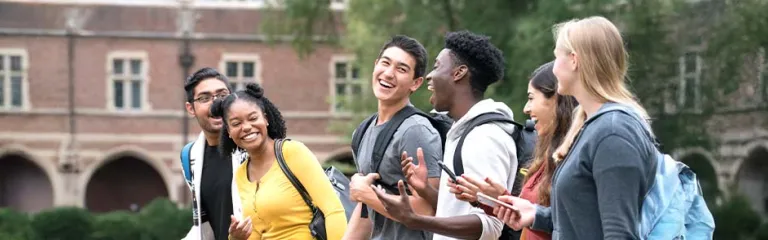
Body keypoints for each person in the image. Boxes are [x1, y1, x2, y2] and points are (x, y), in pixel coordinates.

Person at [493, 16, 658, 240]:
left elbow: (619, 233)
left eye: (556, 56)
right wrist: (535, 214)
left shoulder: (613, 132)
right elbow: (586, 221)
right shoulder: (593, 126)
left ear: (573, 60)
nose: (554, 67)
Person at [374, 30, 517, 240]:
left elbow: (490, 224)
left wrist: (414, 219)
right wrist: (425, 190)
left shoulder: (484, 137)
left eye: (437, 66)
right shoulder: (462, 131)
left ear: (458, 73)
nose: (430, 77)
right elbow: (460, 211)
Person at [452, 61, 578, 240]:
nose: (526, 108)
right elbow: (528, 216)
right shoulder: (547, 157)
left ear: (556, 99)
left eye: (531, 98)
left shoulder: (574, 157)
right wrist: (494, 199)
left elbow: (573, 222)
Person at [210, 82, 347, 240]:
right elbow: (258, 232)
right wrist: (236, 238)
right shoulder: (241, 173)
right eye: (236, 124)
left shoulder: (292, 152)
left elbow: (333, 211)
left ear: (266, 119)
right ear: (228, 132)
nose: (246, 127)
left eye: (253, 118)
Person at [345, 35, 443, 240]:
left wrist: (366, 194)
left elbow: (428, 210)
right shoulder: (363, 130)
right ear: (375, 65)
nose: (388, 73)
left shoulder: (416, 131)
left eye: (401, 69)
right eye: (385, 63)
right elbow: (366, 212)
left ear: (416, 83)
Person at [180, 67, 238, 240]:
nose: (216, 103)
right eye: (205, 98)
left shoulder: (254, 148)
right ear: (191, 109)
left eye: (222, 95)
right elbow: (205, 226)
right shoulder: (190, 157)